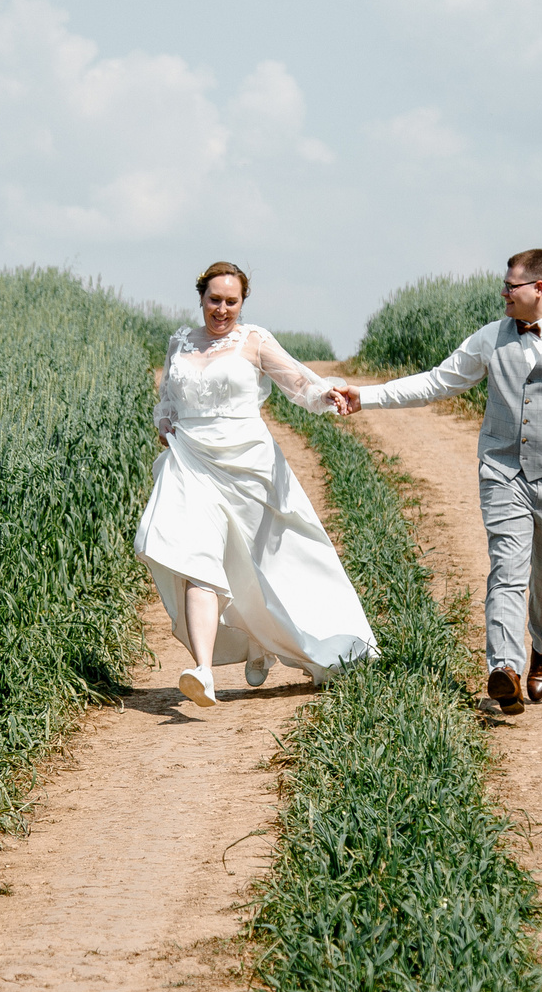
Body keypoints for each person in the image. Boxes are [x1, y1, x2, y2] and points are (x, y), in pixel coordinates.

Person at [336, 248, 542, 715]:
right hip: (502, 472)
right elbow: (437, 383)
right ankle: (505, 668)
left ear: (539, 288)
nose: (503, 293)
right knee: (507, 568)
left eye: (511, 286)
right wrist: (367, 398)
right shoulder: (488, 338)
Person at [133, 261, 377, 708]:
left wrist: (329, 394)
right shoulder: (180, 343)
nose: (221, 309)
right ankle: (203, 672)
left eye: (231, 301)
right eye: (214, 299)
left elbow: (298, 382)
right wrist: (167, 428)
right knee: (197, 560)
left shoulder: (255, 340)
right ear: (200, 298)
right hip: (192, 462)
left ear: (242, 303)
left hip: (249, 464)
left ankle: (265, 642)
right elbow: (167, 400)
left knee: (267, 563)